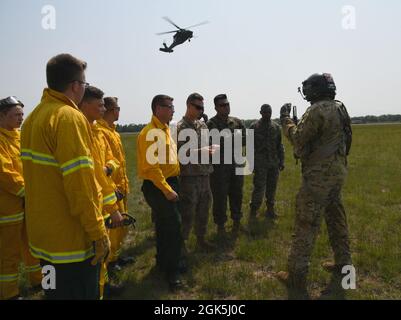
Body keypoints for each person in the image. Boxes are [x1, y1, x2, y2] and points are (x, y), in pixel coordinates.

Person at [21, 53, 110, 300]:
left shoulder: (32, 119)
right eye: (85, 84)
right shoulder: (69, 118)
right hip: (70, 245)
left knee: (53, 293)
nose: (84, 88)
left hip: (43, 240)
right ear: (75, 86)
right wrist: (98, 232)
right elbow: (80, 185)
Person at [276, 73, 353, 299]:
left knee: (306, 222)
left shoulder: (317, 110)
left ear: (316, 89)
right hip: (337, 172)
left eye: (308, 88)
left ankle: (296, 276)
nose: (306, 92)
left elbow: (299, 139)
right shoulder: (339, 108)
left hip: (319, 177)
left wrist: (286, 121)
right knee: (336, 217)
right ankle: (344, 264)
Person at [78, 86, 125, 299]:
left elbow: (112, 161)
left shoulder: (98, 131)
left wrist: (110, 171)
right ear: (84, 104)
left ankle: (103, 285)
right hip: (95, 198)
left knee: (108, 239)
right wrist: (107, 170)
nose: (104, 108)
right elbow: (92, 170)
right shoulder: (83, 130)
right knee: (100, 244)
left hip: (108, 191)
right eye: (100, 105)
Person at [137, 94, 184, 290]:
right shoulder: (150, 133)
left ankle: (162, 263)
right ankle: (172, 272)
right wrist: (167, 190)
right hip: (159, 186)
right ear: (158, 108)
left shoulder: (165, 130)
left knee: (165, 226)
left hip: (169, 182)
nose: (173, 110)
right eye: (170, 107)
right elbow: (152, 168)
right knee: (174, 227)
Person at [0, 97, 42, 300]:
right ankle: (9, 293)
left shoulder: (19, 136)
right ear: (1, 116)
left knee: (33, 245)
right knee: (10, 253)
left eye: (21, 115)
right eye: (15, 115)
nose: (20, 119)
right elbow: (5, 173)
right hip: (8, 209)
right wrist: (29, 191)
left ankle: (38, 280)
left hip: (28, 203)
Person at [97, 97, 133, 272]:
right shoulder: (101, 131)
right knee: (112, 227)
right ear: (109, 111)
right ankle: (110, 262)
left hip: (121, 186)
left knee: (120, 227)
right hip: (112, 188)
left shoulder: (114, 132)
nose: (119, 111)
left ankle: (116, 256)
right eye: (117, 108)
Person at [177, 93, 214, 251]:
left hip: (204, 175)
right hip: (188, 176)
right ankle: (182, 244)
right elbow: (179, 154)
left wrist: (211, 150)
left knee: (204, 209)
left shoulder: (202, 126)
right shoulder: (179, 127)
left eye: (202, 108)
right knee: (187, 212)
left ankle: (201, 239)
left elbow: (207, 146)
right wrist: (202, 151)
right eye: (198, 107)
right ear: (188, 106)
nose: (200, 110)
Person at [207, 94, 246, 236]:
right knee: (220, 197)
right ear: (216, 107)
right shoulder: (210, 124)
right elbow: (211, 145)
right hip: (219, 169)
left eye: (227, 104)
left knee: (237, 194)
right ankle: (221, 226)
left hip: (236, 165)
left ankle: (237, 222)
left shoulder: (236, 122)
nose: (226, 107)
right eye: (222, 105)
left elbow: (244, 140)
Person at [249, 104, 285, 220]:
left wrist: (282, 160)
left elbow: (280, 145)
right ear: (260, 112)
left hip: (273, 163)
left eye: (269, 112)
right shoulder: (254, 126)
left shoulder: (276, 127)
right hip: (260, 164)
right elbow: (249, 147)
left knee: (272, 188)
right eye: (265, 112)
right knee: (259, 188)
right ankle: (254, 211)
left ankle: (270, 210)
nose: (267, 114)